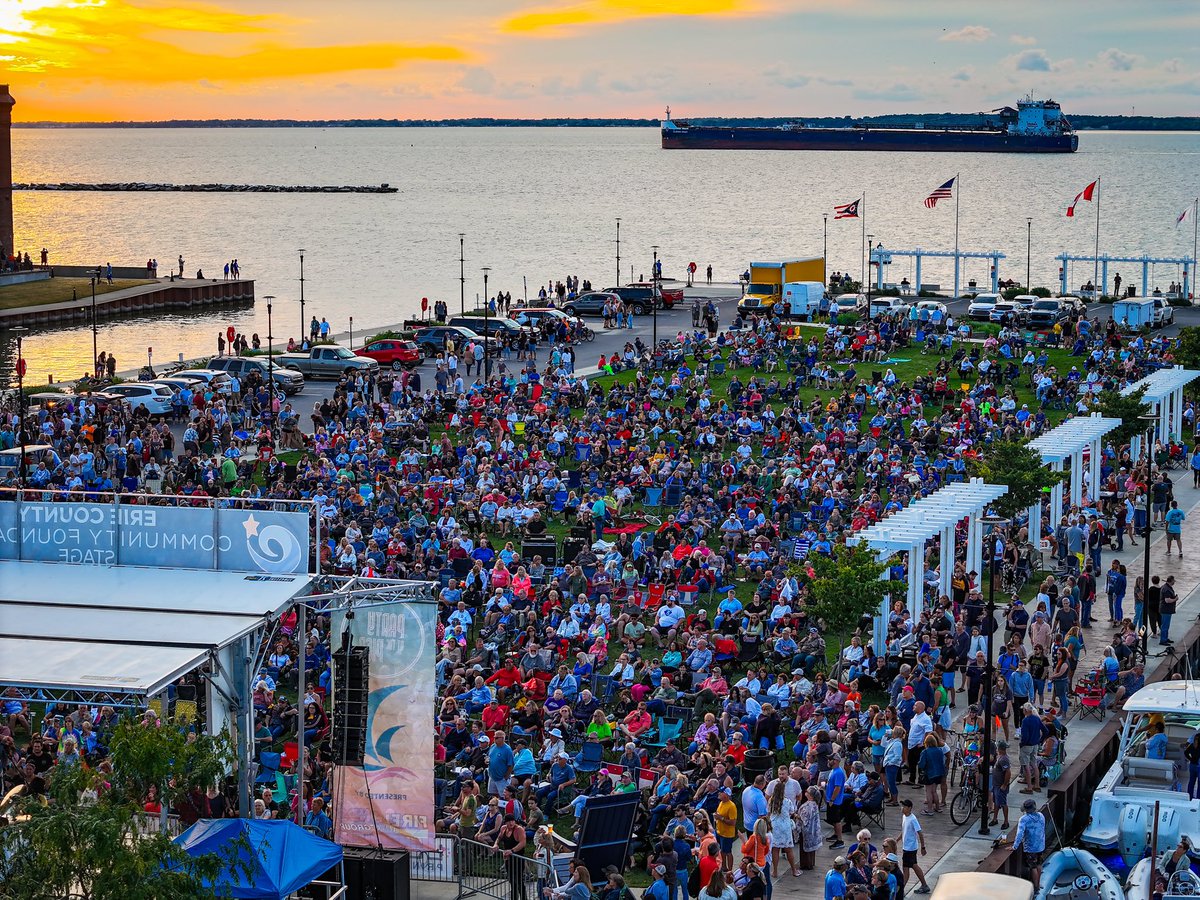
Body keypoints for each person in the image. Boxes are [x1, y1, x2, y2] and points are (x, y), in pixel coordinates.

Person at [896, 799, 930, 894]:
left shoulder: (913, 819)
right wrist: (897, 840)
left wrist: (923, 847)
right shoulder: (904, 817)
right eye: (902, 806)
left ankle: (901, 891)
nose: (902, 808)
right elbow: (904, 831)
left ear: (909, 808)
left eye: (904, 806)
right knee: (911, 866)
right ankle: (924, 885)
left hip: (910, 848)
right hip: (906, 847)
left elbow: (920, 833)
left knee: (908, 868)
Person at [1011, 798, 1046, 889]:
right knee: (1039, 865)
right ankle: (1039, 883)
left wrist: (1014, 846)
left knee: (1033, 867)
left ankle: (1036, 886)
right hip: (1041, 845)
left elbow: (1020, 834)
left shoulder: (1024, 819)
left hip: (1031, 847)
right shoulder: (1041, 815)